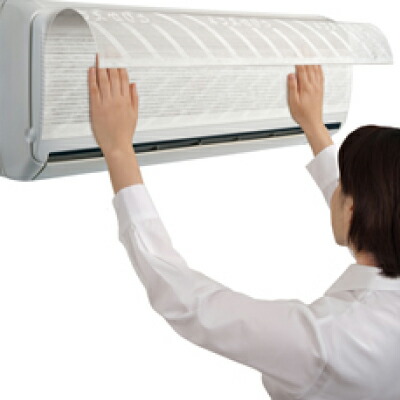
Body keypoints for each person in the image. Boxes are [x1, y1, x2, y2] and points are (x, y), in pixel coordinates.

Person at [87, 60, 400, 400]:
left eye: (343, 188)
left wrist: (118, 150)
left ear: (353, 210)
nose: (335, 190)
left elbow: (188, 302)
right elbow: (370, 208)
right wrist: (313, 126)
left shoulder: (325, 341)